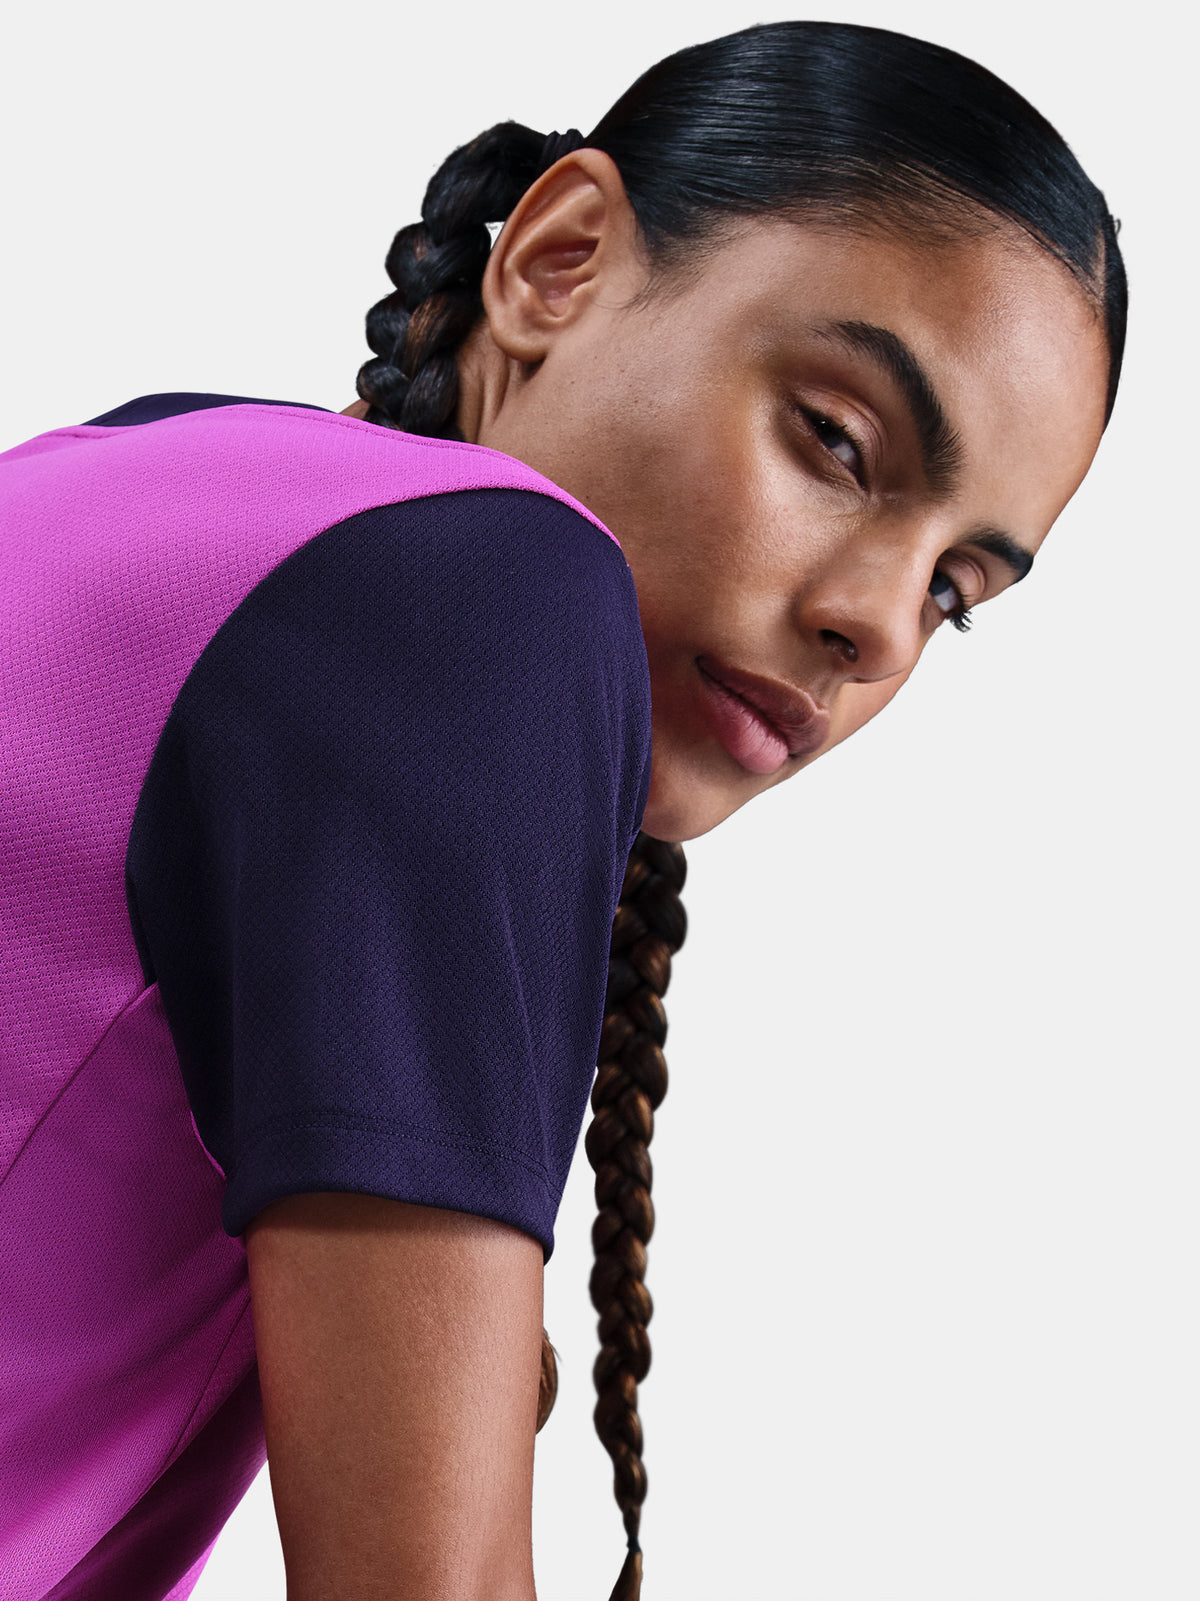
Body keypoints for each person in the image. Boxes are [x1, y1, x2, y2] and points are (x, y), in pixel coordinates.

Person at [0, 19, 1124, 1601]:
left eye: (954, 588)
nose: (877, 624)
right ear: (560, 260)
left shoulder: (151, 464)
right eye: (835, 438)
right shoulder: (480, 592)